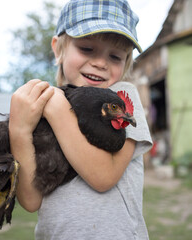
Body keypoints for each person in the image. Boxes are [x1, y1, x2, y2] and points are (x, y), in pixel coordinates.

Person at [9, 0, 153, 239]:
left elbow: (103, 177)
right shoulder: (40, 107)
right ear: (58, 49)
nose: (100, 62)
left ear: (126, 63)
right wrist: (19, 131)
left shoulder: (122, 99)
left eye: (115, 56)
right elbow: (31, 200)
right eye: (87, 49)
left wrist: (56, 107)